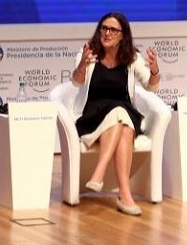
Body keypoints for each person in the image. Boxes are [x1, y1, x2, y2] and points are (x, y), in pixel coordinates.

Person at [68, 12, 160, 216]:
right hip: (93, 116)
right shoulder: (88, 53)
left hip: (124, 111)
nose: (107, 33)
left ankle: (104, 176)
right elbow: (76, 81)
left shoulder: (131, 58)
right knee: (124, 124)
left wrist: (154, 71)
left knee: (122, 116)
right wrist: (83, 64)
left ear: (122, 35)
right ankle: (124, 195)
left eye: (113, 30)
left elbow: (151, 87)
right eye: (104, 28)